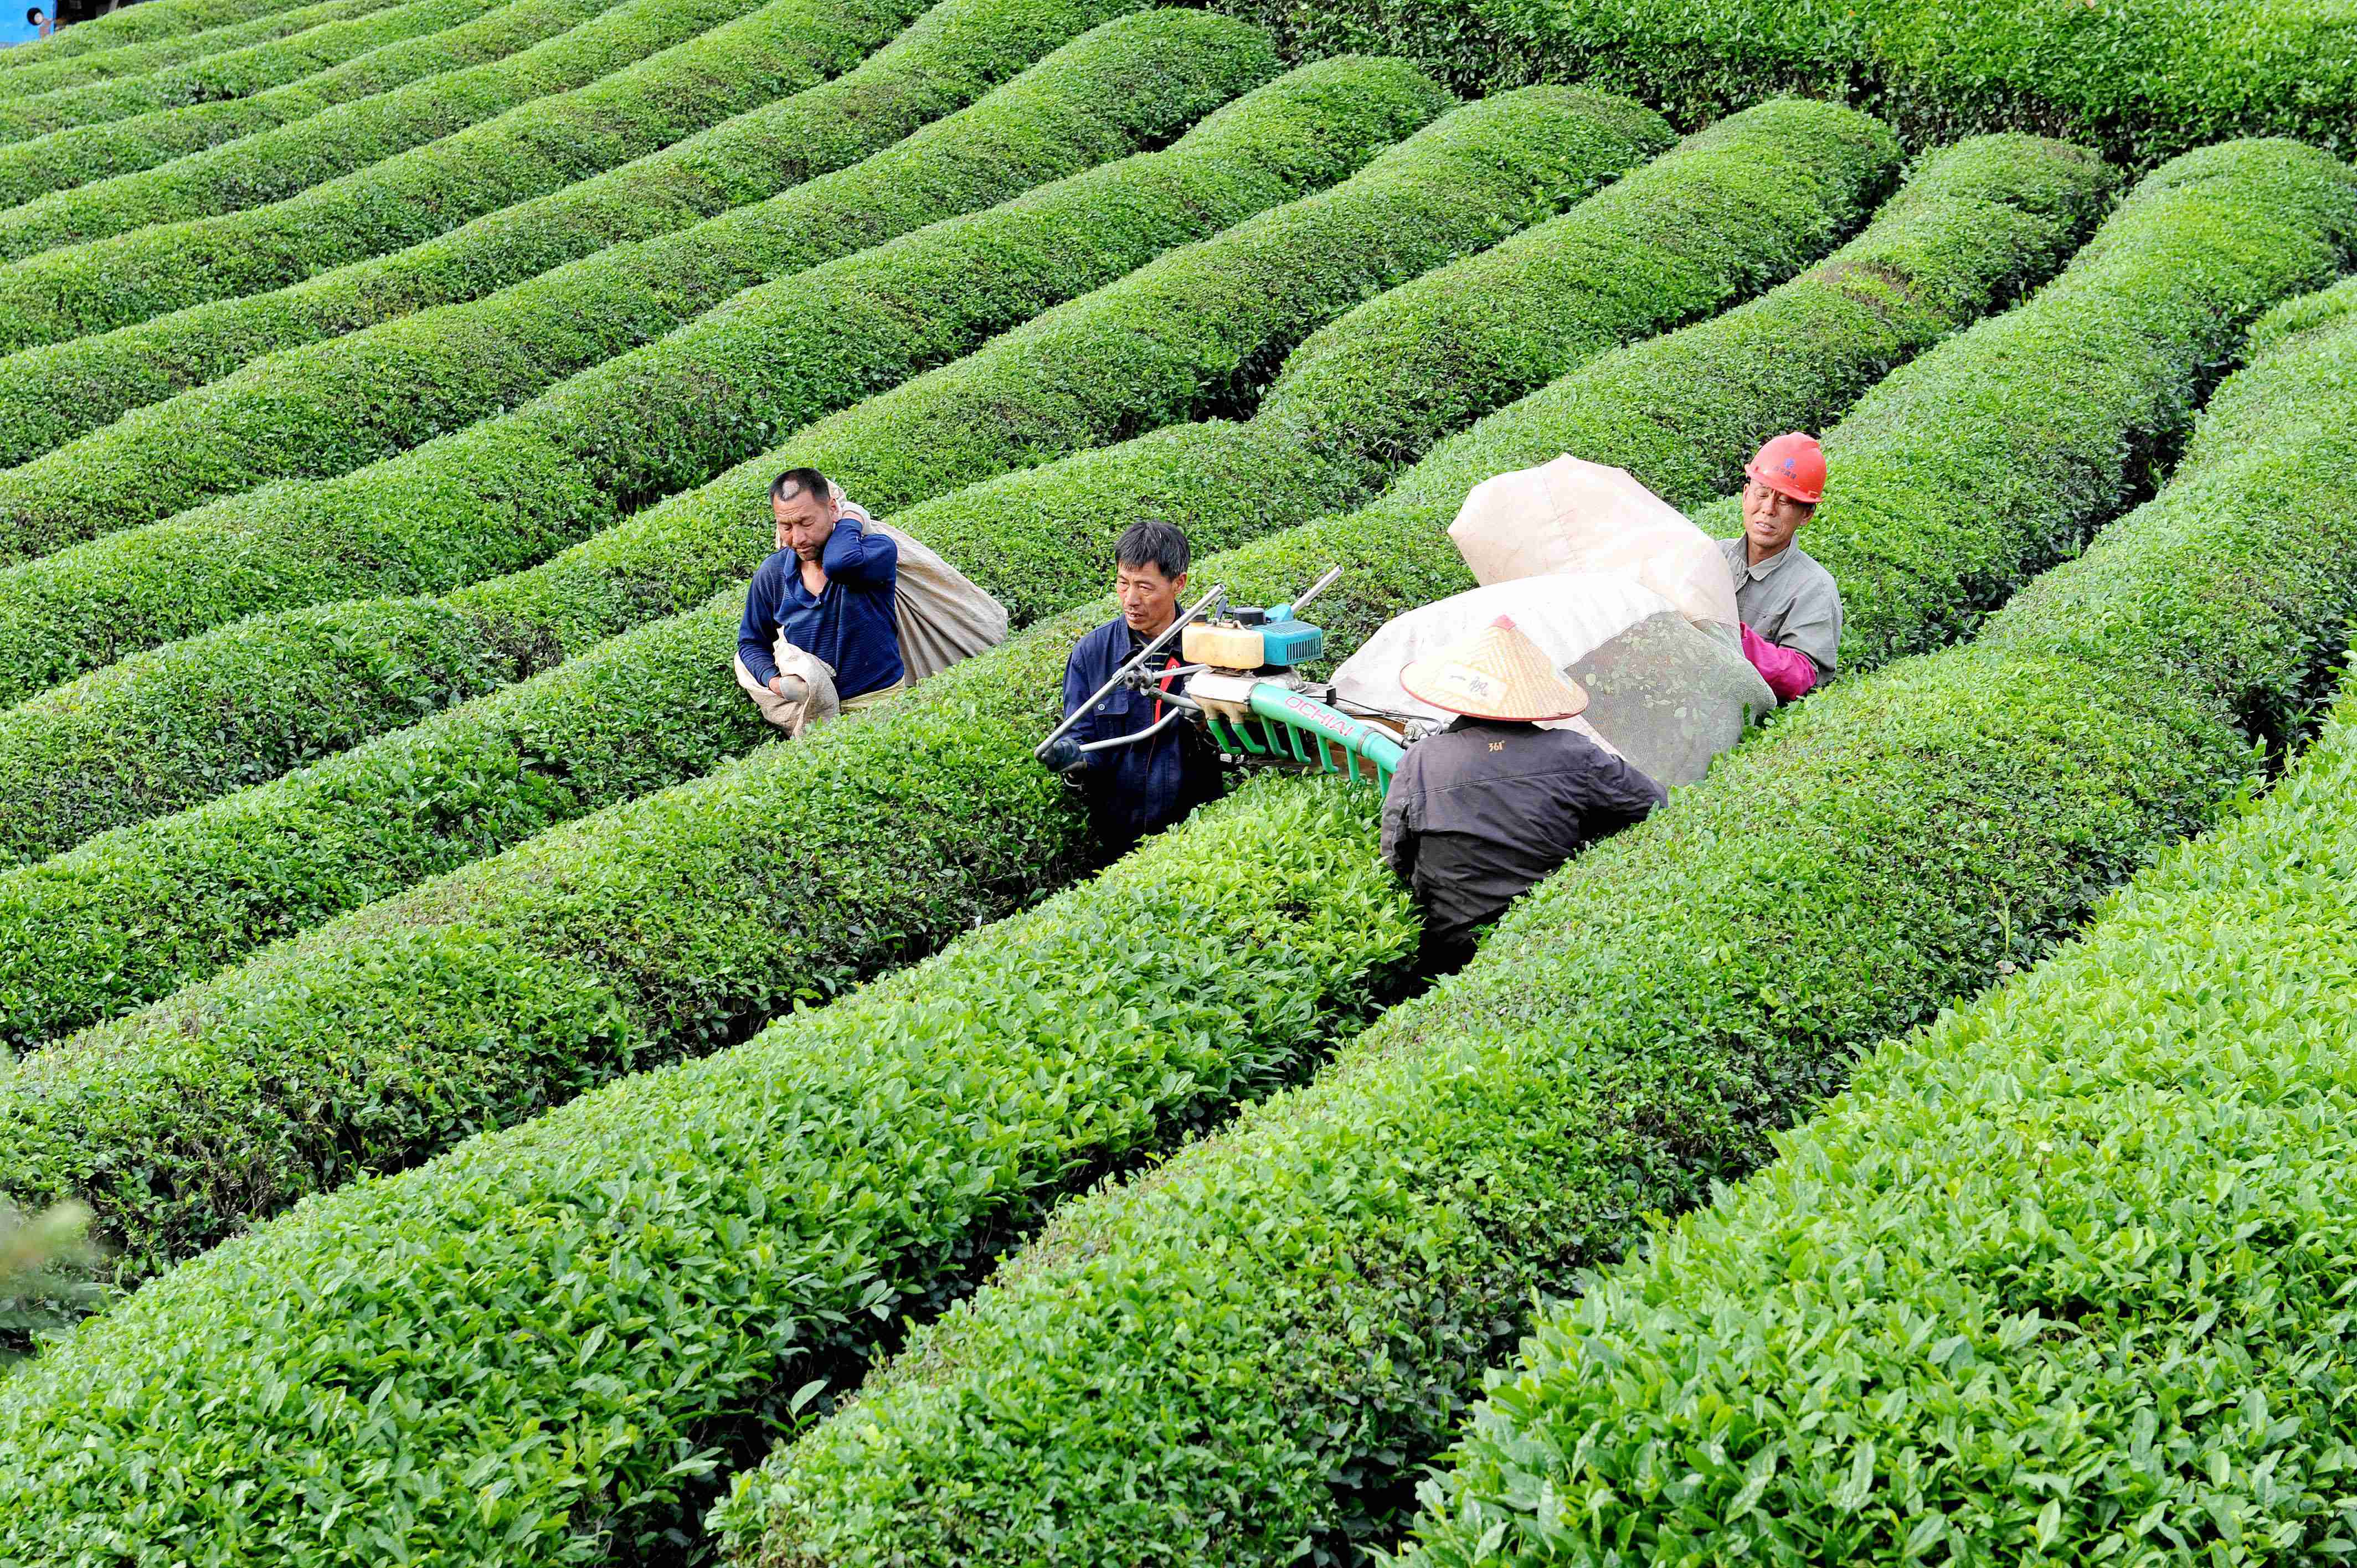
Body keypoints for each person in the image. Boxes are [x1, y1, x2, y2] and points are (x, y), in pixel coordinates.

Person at [1381, 615, 1665, 973]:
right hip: (1543, 939)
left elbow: (1396, 855)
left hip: (1448, 945)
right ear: (1533, 699)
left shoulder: (1420, 760)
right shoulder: (1573, 754)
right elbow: (1653, 803)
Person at [1058, 519, 1227, 855]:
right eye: (1123, 584)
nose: (1130, 599)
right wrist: (1074, 764)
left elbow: (1239, 748)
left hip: (1198, 836)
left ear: (1178, 583)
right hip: (1118, 839)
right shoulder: (1092, 654)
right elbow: (1081, 738)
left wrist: (1205, 724)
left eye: (1145, 588)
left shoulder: (1213, 652)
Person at [734, 467, 904, 733]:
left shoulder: (876, 552)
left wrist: (852, 516)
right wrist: (776, 683)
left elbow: (840, 564)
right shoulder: (773, 574)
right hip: (817, 716)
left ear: (832, 509)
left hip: (882, 704)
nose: (798, 539)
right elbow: (751, 642)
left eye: (806, 523)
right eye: (786, 526)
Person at [1723, 431, 1842, 700]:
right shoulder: (1713, 556)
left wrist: (1729, 633)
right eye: (1762, 494)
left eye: (1785, 501)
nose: (1768, 509)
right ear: (1745, 495)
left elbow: (1802, 675)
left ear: (1807, 515)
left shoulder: (1815, 589)